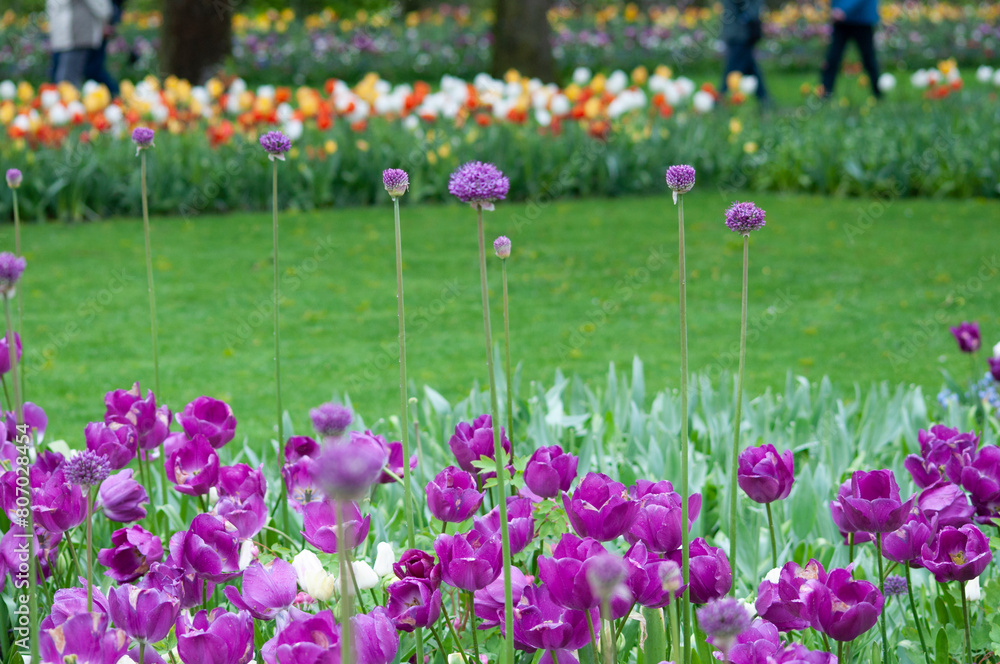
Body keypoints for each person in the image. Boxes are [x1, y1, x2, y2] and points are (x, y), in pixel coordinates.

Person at [820, 0, 882, 99]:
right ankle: (825, 93)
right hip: (842, 21)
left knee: (869, 59)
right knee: (833, 58)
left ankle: (878, 93)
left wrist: (843, 9)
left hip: (862, 19)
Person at [47, 0, 113, 89]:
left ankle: (116, 96)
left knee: (66, 83)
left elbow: (103, 9)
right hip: (64, 37)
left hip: (77, 36)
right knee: (62, 81)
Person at [720, 0, 769, 103]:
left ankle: (763, 98)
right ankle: (721, 98)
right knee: (737, 68)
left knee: (742, 66)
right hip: (740, 31)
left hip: (742, 31)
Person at [84, 0, 125, 97]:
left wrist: (107, 23)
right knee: (92, 68)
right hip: (97, 27)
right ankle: (111, 94)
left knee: (93, 69)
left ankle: (115, 93)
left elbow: (104, 6)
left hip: (101, 27)